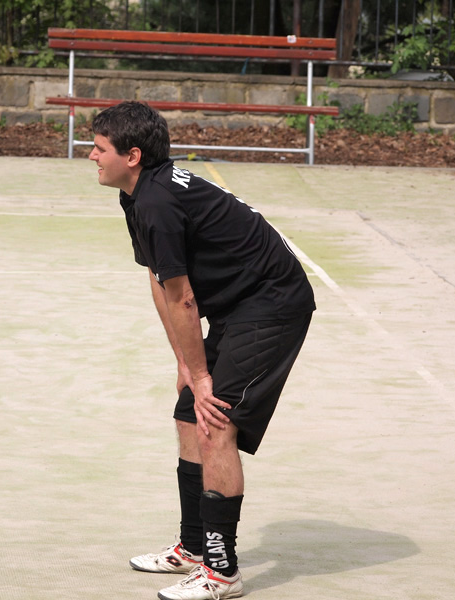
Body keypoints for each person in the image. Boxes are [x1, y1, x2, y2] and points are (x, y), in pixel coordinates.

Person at [89, 101, 314, 600]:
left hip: (273, 304)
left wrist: (203, 374)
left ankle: (222, 572)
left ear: (132, 155)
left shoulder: (157, 201)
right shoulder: (136, 194)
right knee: (189, 414)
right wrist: (185, 363)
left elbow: (184, 298)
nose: (91, 156)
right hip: (238, 305)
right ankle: (193, 548)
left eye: (100, 148)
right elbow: (159, 278)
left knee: (215, 422)